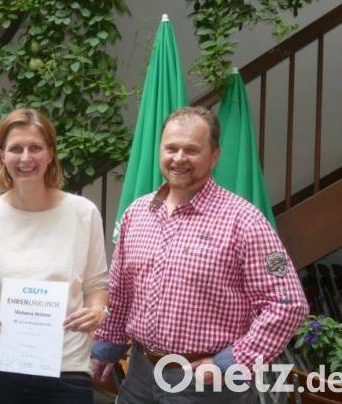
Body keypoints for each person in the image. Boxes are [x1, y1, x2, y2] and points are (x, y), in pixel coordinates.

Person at [91, 106, 308, 403]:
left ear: (214, 155)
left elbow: (288, 304)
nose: (179, 158)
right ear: (160, 151)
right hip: (139, 375)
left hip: (205, 384)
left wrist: (232, 362)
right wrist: (108, 342)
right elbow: (119, 290)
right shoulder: (137, 214)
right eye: (171, 148)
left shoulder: (245, 222)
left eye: (192, 150)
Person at [0, 108, 110, 404]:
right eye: (16, 148)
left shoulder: (83, 213)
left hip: (65, 368)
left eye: (35, 148)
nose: (26, 158)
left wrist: (97, 312)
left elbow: (97, 287)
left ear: (50, 154)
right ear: (2, 155)